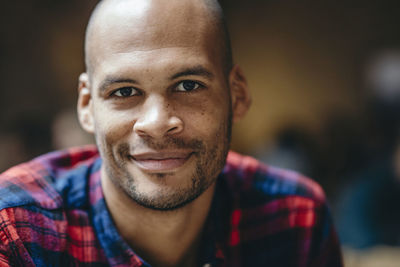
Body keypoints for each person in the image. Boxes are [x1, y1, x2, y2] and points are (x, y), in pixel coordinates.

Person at [0, 0, 343, 266]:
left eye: (188, 85)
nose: (157, 122)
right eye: (124, 91)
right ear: (87, 106)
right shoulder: (16, 229)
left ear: (237, 95)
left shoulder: (295, 218)